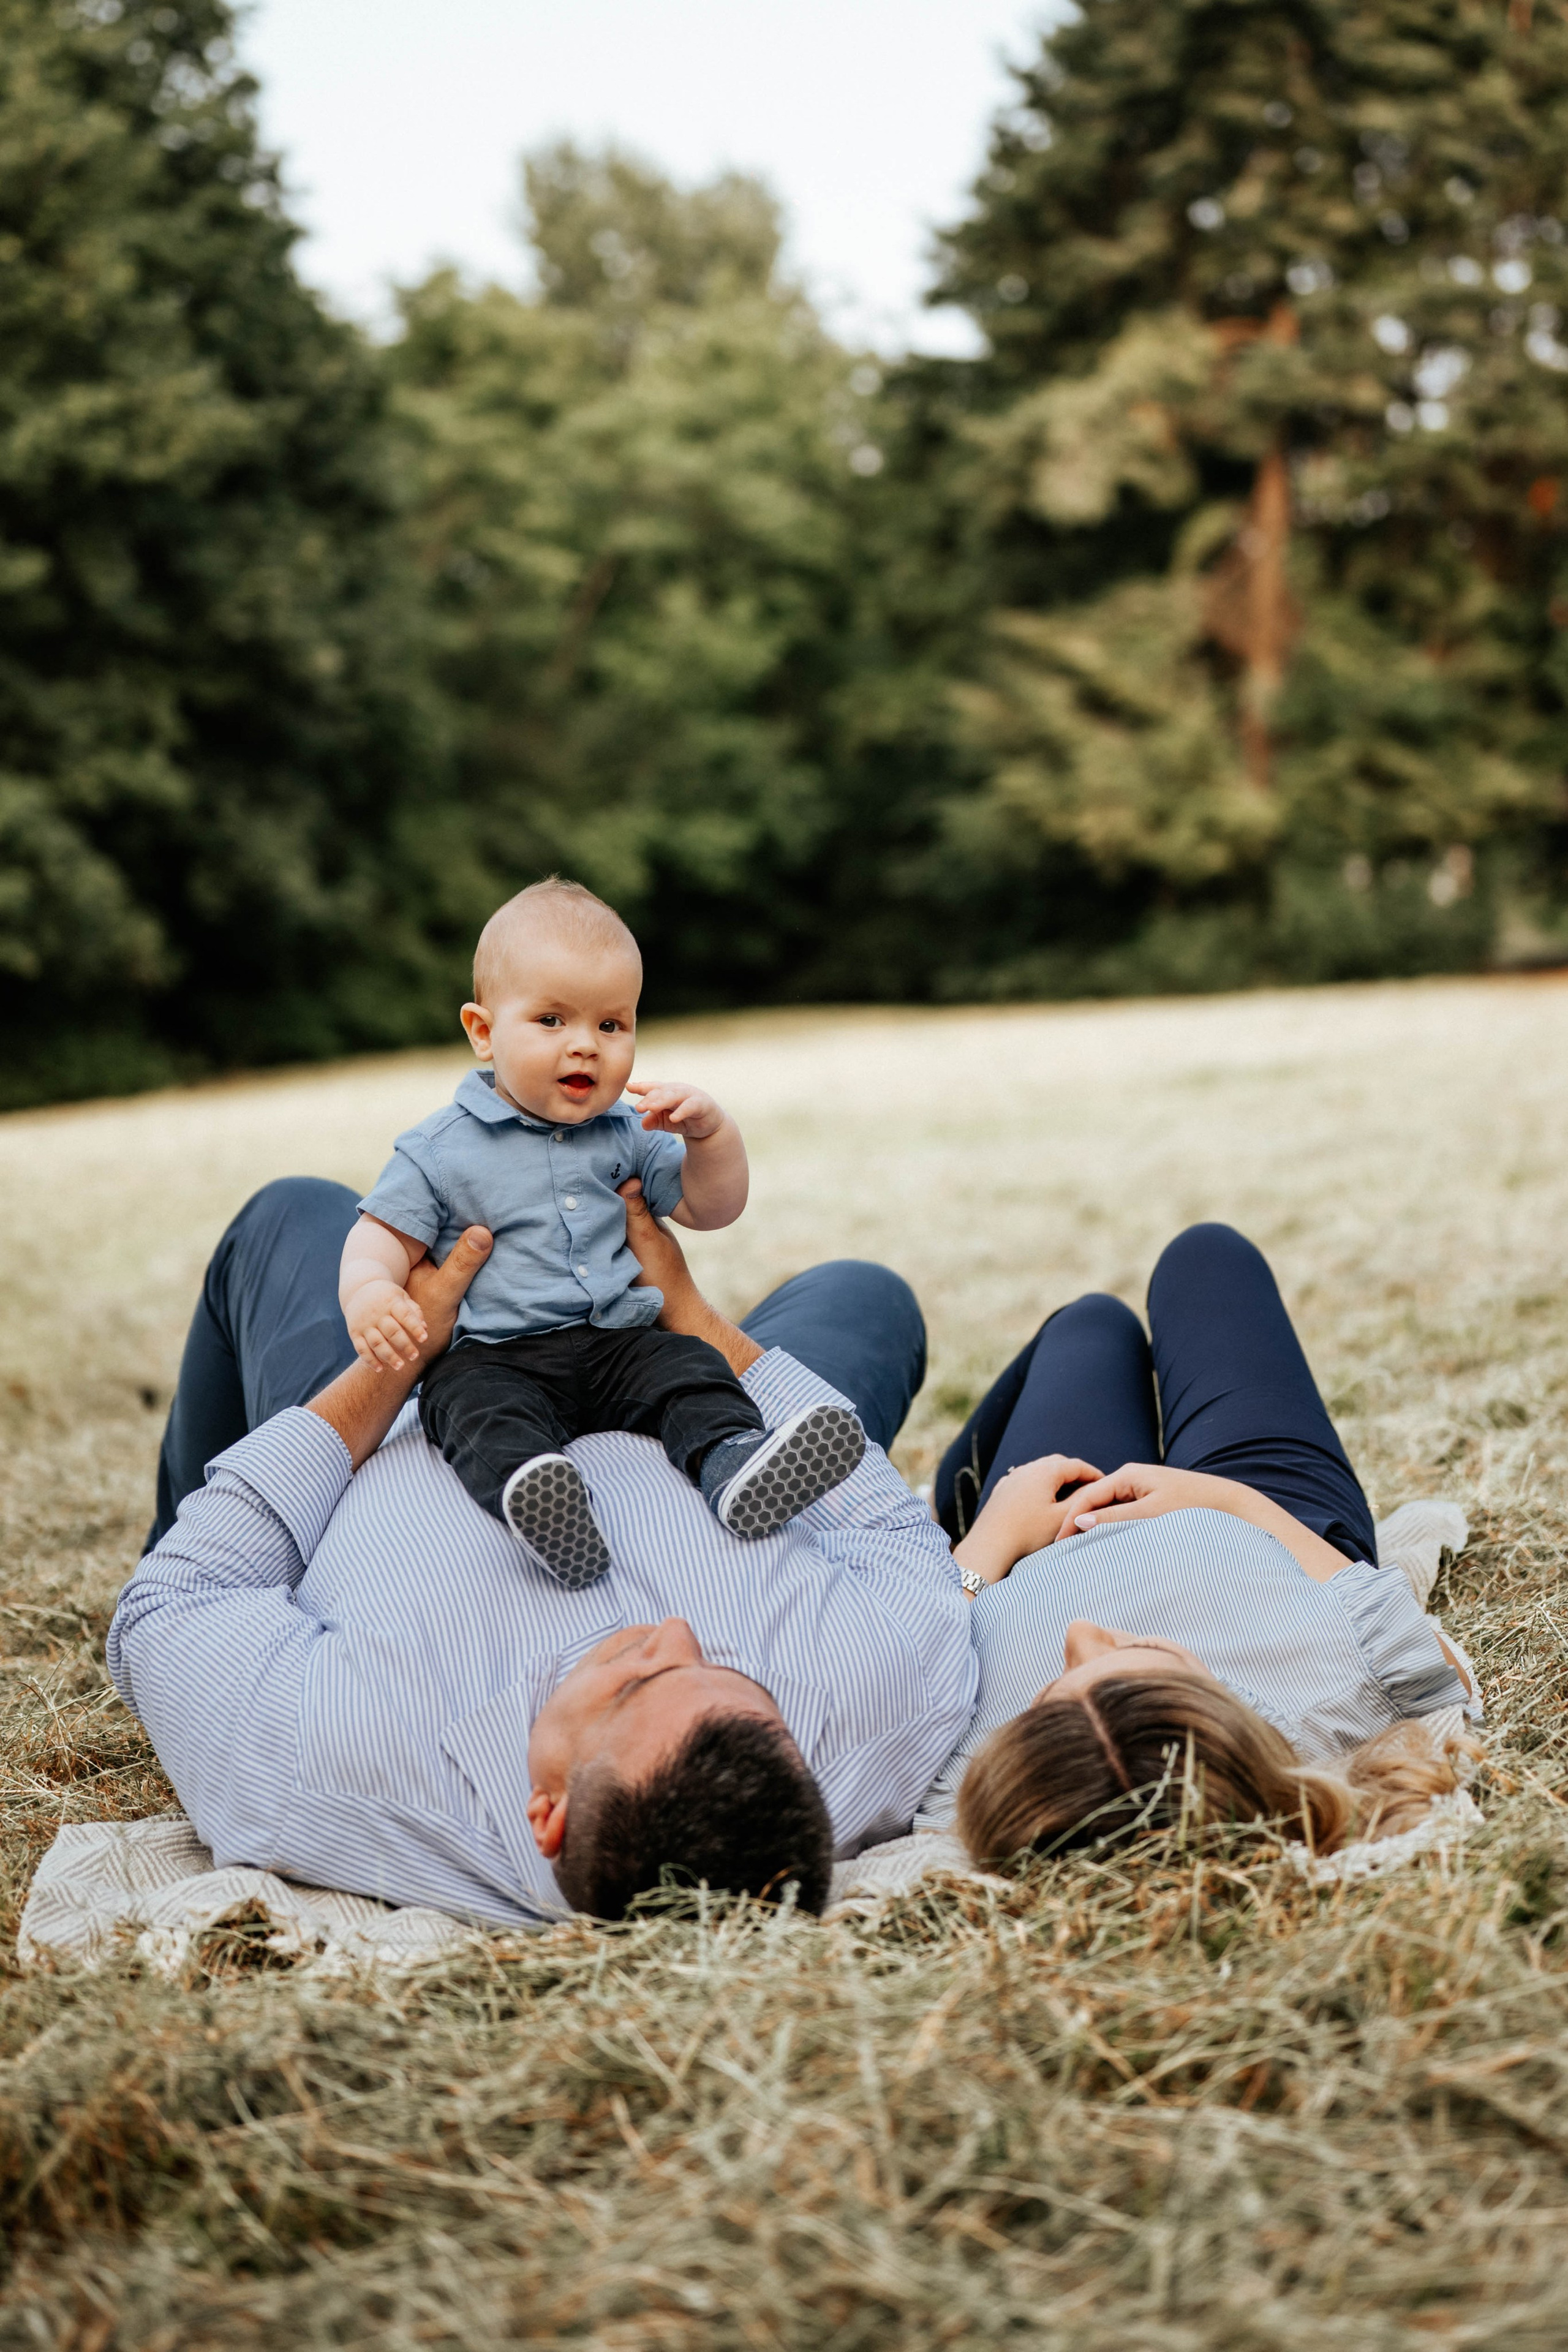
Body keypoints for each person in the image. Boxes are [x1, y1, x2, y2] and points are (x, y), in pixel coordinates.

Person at [108, 1178, 975, 1926]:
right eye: (734, 1673)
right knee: (864, 1295)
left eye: (637, 1678)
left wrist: (402, 1362)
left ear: (547, 1814)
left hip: (401, 1422)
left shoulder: (338, 1755)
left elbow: (178, 1603)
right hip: (682, 1406)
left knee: (295, 1212)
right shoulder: (870, 1711)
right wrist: (689, 1314)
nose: (673, 1630)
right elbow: (887, 1533)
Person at [340, 878, 864, 1588]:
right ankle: (541, 1500)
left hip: (620, 1344)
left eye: (611, 1026)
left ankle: (735, 1464)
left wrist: (712, 1137)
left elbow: (712, 1210)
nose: (586, 1046)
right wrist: (371, 1293)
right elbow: (379, 1237)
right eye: (552, 1021)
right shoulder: (439, 1148)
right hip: (498, 1355)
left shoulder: (630, 1131)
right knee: (468, 1408)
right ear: (484, 1031)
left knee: (689, 1370)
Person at [913, 1223, 1478, 1863]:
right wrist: (1225, 1499)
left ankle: (950, 1499)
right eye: (1141, 1648)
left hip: (1039, 1537)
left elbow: (920, 1654)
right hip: (1262, 1511)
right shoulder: (1335, 1692)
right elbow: (1439, 1673)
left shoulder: (972, 1779)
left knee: (1091, 1326)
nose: (1080, 1634)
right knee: (1206, 1255)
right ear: (1224, 1700)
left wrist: (990, 1537)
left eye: (1048, 1696)